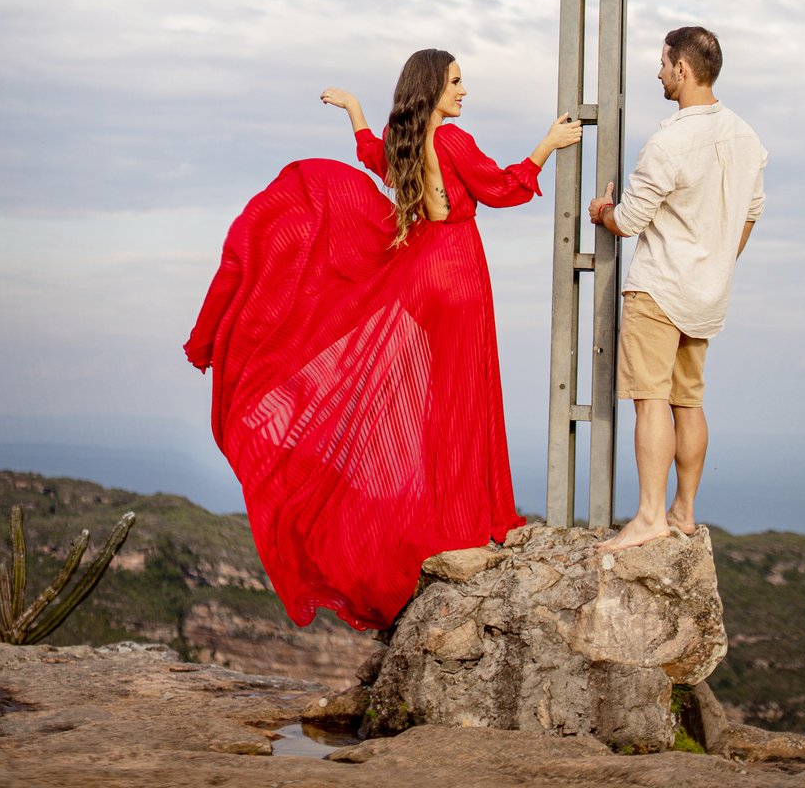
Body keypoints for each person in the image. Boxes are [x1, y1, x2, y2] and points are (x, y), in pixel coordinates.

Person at [184, 49, 581, 632]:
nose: (464, 91)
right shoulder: (452, 142)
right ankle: (473, 520)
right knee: (463, 396)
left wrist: (356, 112)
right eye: (456, 82)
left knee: (423, 402)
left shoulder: (403, 138)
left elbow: (373, 156)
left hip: (418, 279)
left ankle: (427, 519)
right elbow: (501, 189)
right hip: (458, 274)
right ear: (434, 88)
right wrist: (549, 143)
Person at [588, 26, 766, 553]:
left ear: (683, 70)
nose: (659, 72)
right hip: (708, 293)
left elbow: (631, 219)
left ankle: (649, 516)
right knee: (688, 401)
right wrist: (716, 264)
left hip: (660, 290)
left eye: (664, 63)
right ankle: (684, 512)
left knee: (651, 403)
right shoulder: (747, 138)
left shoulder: (668, 142)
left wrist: (602, 212)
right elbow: (750, 216)